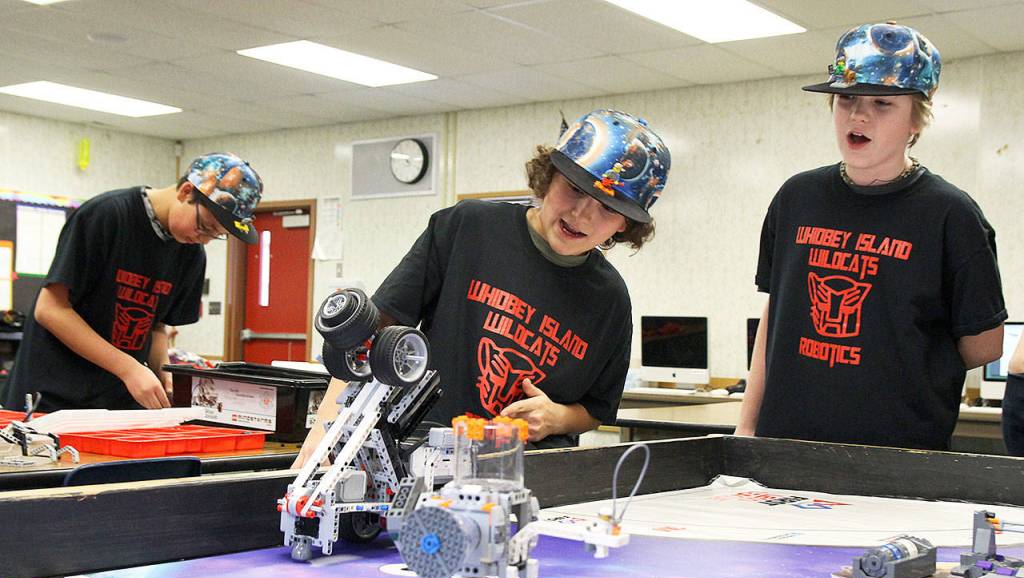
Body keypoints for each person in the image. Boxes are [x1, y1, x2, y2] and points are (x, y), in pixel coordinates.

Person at [294, 109, 671, 466]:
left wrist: (557, 417)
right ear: (549, 177)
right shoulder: (467, 228)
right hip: (422, 454)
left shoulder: (611, 300)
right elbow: (368, 337)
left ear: (624, 225)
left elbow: (595, 409)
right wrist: (327, 435)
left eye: (607, 208)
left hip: (529, 470)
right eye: (573, 189)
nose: (581, 214)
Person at [737, 22, 1006, 451]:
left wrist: (898, 357)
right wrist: (747, 428)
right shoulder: (796, 197)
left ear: (916, 121)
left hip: (897, 451)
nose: (859, 115)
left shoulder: (951, 215)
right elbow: (777, 317)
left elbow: (984, 345)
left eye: (882, 103)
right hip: (785, 444)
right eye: (846, 99)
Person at [2, 152, 262, 412]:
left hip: (115, 402)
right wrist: (129, 368)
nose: (204, 239)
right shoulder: (107, 215)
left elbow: (156, 324)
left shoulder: (191, 253)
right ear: (185, 192)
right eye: (205, 226)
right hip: (51, 395)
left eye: (217, 235)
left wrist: (164, 374)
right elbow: (51, 309)